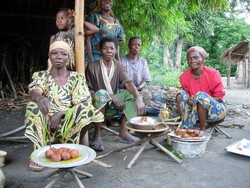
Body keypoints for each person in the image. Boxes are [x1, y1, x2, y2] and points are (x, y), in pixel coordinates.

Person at [25, 41, 104, 171]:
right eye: (54, 53)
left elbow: (83, 103)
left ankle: (70, 148)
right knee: (32, 106)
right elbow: (35, 91)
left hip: (69, 123)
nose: (59, 56)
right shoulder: (41, 75)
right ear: (49, 57)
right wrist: (39, 97)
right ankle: (39, 150)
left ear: (69, 57)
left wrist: (61, 113)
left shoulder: (76, 78)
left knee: (86, 108)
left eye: (63, 53)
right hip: (46, 123)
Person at [85, 36, 146, 151]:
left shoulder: (118, 65)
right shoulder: (92, 66)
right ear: (100, 50)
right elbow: (88, 90)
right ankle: (96, 135)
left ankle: (123, 132)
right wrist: (110, 96)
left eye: (112, 48)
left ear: (116, 50)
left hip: (112, 106)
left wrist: (138, 97)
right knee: (102, 94)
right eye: (105, 48)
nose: (109, 51)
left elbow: (128, 83)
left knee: (132, 94)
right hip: (95, 106)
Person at [176, 46, 227, 131]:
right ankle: (185, 125)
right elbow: (187, 97)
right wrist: (191, 100)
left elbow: (219, 98)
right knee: (180, 95)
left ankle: (202, 130)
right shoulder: (184, 76)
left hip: (215, 110)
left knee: (201, 96)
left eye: (196, 57)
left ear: (203, 59)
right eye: (189, 58)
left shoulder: (213, 74)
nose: (192, 60)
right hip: (195, 111)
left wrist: (200, 99)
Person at [121, 36, 152, 105]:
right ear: (129, 46)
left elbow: (145, 79)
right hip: (125, 90)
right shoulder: (122, 60)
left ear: (140, 47)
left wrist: (137, 88)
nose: (136, 47)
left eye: (139, 45)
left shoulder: (143, 61)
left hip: (139, 90)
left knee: (148, 95)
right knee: (126, 97)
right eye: (133, 44)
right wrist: (132, 90)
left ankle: (134, 108)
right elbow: (122, 80)